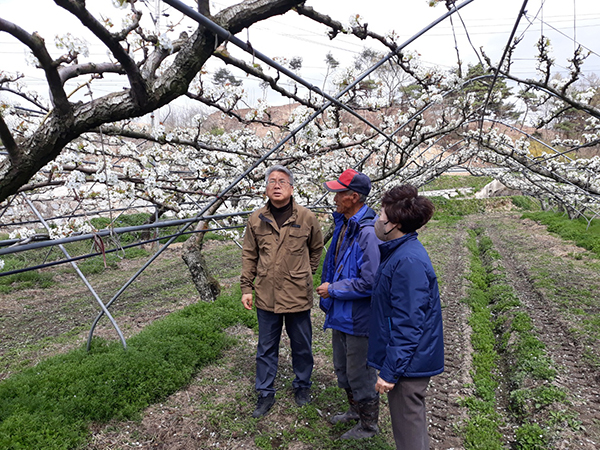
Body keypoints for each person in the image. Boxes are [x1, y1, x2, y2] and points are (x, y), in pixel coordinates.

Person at [241, 165, 324, 419]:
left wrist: (304, 272)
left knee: (302, 345)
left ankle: (302, 386)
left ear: (291, 188)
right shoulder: (256, 218)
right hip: (266, 294)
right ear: (265, 188)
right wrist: (246, 287)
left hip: (297, 294)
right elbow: (249, 254)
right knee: (266, 347)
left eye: (282, 181)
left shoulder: (306, 217)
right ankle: (265, 392)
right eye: (272, 181)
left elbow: (316, 248)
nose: (276, 185)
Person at [367, 184, 444, 450]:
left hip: (409, 365)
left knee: (408, 431)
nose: (377, 220)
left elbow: (409, 323)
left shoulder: (407, 262)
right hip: (409, 360)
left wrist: (389, 372)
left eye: (381, 215)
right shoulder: (400, 253)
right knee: (410, 425)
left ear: (394, 223)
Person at [316, 168, 381, 440]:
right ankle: (354, 412)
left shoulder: (368, 232)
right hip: (341, 311)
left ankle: (369, 426)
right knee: (343, 367)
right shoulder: (345, 224)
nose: (334, 198)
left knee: (361, 371)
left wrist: (334, 289)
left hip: (358, 316)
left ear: (354, 197)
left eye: (339, 193)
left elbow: (370, 281)